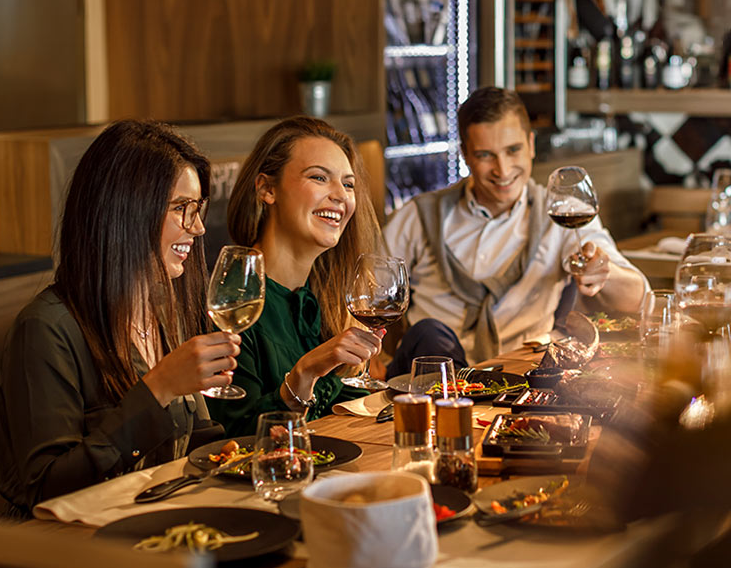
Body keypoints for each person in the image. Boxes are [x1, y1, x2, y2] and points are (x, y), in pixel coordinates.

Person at [0, 120, 241, 511]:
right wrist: (157, 388)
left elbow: (194, 442)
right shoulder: (45, 329)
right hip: (77, 551)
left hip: (157, 525)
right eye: (181, 208)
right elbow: (45, 489)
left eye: (198, 209)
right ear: (124, 212)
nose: (196, 227)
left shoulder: (164, 311)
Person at [383, 87, 648, 371]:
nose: (503, 169)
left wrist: (604, 272)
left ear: (531, 145)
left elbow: (638, 298)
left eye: (513, 150)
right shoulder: (417, 216)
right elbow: (364, 290)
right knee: (430, 335)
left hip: (522, 378)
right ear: (465, 155)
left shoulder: (562, 213)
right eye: (486, 155)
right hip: (431, 383)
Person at [205, 116, 384, 436]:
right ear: (267, 188)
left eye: (348, 184)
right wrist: (304, 374)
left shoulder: (331, 296)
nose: (341, 196)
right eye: (319, 177)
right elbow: (230, 440)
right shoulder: (231, 301)